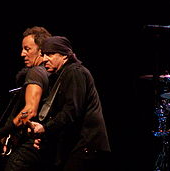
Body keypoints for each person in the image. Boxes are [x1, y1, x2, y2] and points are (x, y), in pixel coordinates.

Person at [30, 36, 112, 171]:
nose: (44, 59)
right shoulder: (62, 75)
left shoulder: (74, 72)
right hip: (79, 146)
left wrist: (45, 128)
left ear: (65, 56)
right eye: (43, 54)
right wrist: (44, 135)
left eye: (50, 54)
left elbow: (72, 111)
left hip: (86, 145)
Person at [0, 26, 52, 171]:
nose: (22, 54)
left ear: (41, 50)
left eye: (27, 49)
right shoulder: (49, 74)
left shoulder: (35, 73)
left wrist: (0, 132)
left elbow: (29, 111)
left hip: (28, 147)